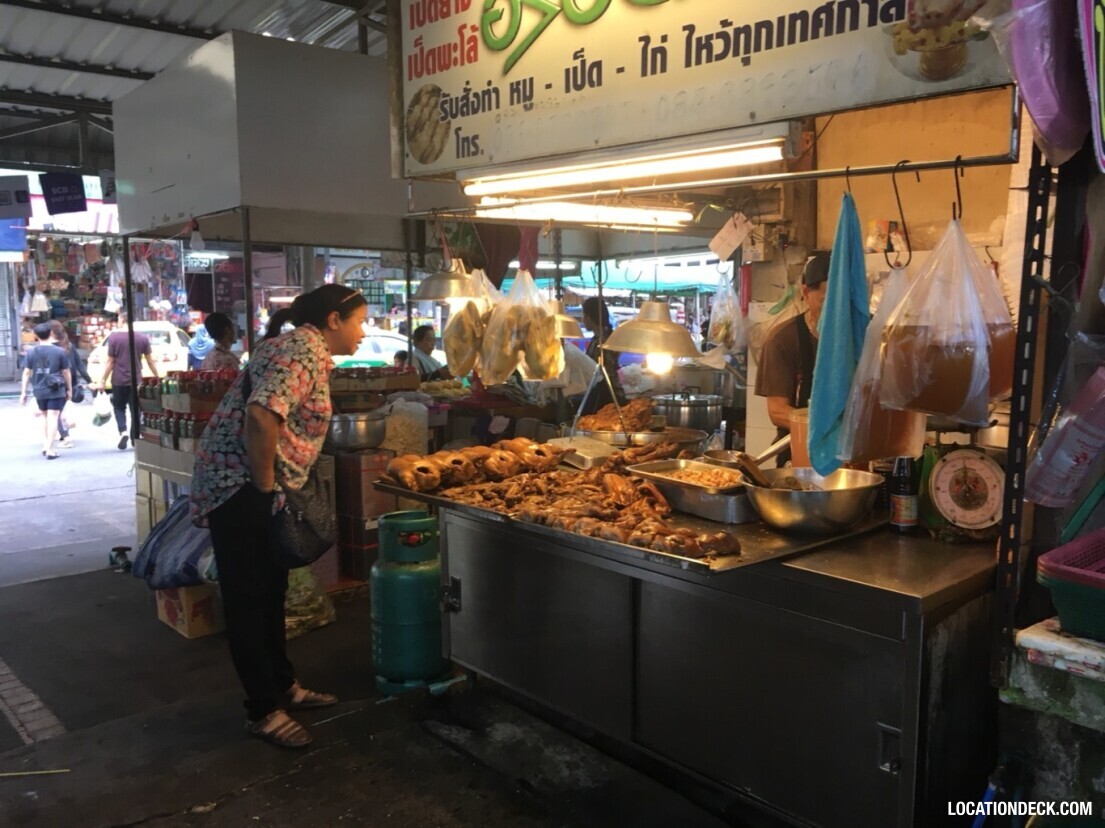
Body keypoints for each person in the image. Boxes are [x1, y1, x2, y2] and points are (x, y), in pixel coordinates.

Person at [189, 284, 367, 749]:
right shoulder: (300, 350)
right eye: (360, 321)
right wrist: (266, 488)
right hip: (240, 485)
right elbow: (261, 416)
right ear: (333, 320)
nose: (364, 333)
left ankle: (282, 686)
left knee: (272, 590)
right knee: (250, 598)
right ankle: (262, 710)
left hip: (252, 483)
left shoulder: (302, 349)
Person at [753, 251, 831, 462]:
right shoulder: (783, 339)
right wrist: (824, 425)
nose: (837, 311)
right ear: (806, 292)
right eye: (828, 301)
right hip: (798, 453)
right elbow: (777, 411)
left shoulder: (866, 333)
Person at [93, 316, 160, 450]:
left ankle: (122, 432)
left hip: (118, 380)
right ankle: (135, 438)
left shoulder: (114, 338)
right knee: (136, 410)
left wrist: (102, 380)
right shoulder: (142, 338)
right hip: (137, 381)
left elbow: (110, 362)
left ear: (121, 321)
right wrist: (157, 376)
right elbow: (150, 361)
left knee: (119, 407)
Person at [19, 323, 71, 459]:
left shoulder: (31, 352)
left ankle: (45, 445)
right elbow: (66, 372)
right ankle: (50, 449)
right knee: (53, 416)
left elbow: (26, 373)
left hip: (39, 389)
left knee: (44, 416)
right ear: (50, 334)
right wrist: (69, 389)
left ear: (36, 336)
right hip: (56, 389)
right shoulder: (59, 351)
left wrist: (23, 392)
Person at [578, 296, 627, 416]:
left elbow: (604, 372)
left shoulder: (603, 341)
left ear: (589, 317)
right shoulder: (599, 339)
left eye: (583, 316)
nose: (582, 320)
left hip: (606, 397)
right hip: (605, 394)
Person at [48, 320, 91, 448]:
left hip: (56, 383)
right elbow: (79, 365)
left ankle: (65, 436)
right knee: (59, 410)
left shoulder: (50, 348)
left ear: (51, 332)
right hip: (70, 382)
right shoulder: (69, 345)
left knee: (56, 411)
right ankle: (65, 429)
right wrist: (89, 380)